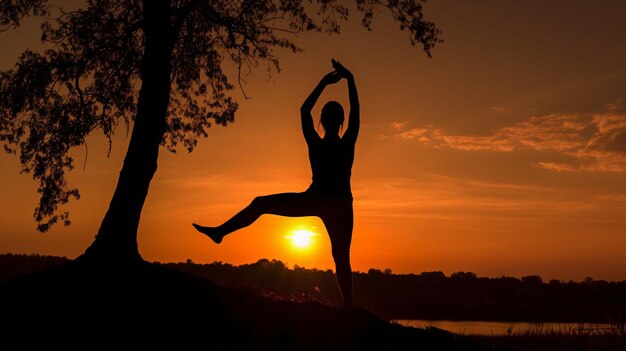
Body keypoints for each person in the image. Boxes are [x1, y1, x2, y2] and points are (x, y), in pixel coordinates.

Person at [193, 59, 359, 307]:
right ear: (341, 121)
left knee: (260, 204)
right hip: (339, 204)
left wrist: (324, 82)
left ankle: (220, 232)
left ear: (322, 120)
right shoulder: (346, 143)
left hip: (319, 201)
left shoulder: (316, 143)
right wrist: (351, 79)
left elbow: (304, 111)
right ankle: (349, 307)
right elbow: (355, 109)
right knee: (341, 257)